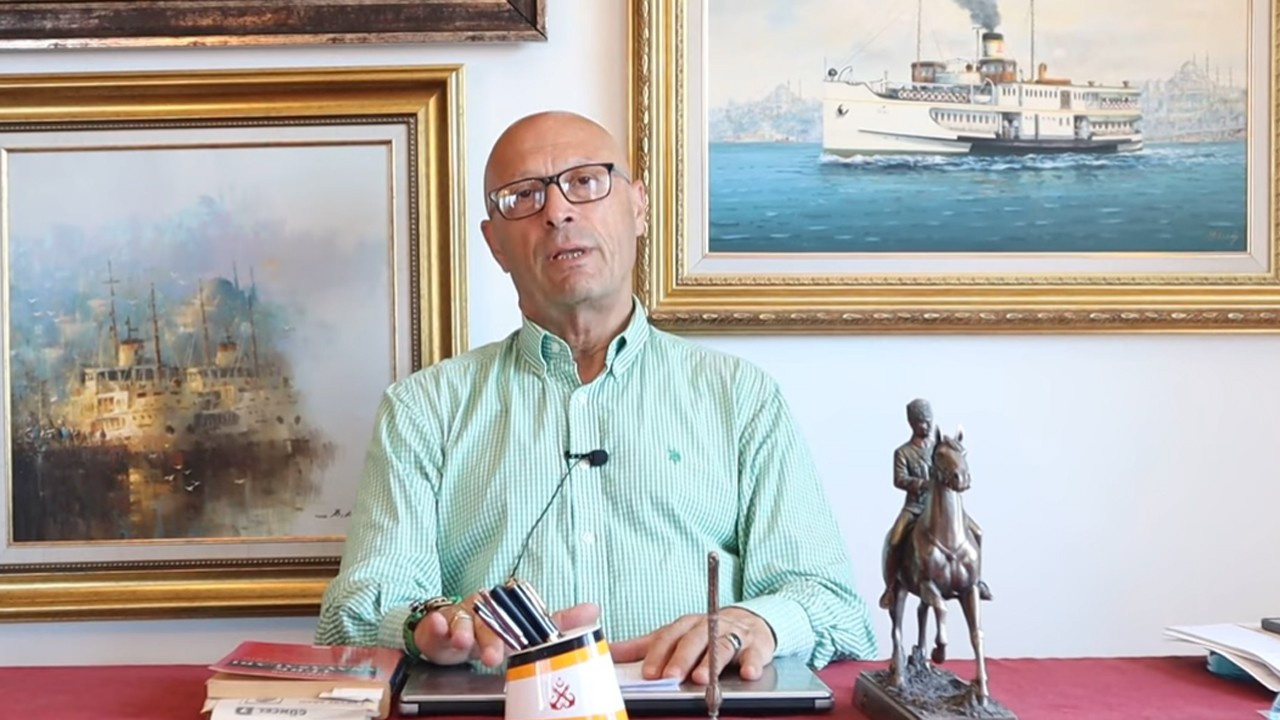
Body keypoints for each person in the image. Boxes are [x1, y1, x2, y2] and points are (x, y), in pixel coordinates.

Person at [315, 110, 875, 685]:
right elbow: (348, 617)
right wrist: (427, 624)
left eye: (584, 182)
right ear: (495, 244)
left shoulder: (741, 397)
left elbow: (836, 607)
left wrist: (756, 622)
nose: (557, 211)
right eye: (524, 196)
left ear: (639, 207)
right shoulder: (423, 409)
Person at [879, 399, 990, 610]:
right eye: (922, 421)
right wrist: (923, 484)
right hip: (915, 507)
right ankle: (890, 588)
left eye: (929, 420)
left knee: (978, 532)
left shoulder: (939, 448)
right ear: (913, 424)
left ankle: (977, 579)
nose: (927, 425)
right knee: (895, 539)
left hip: (943, 510)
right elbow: (899, 479)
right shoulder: (903, 452)